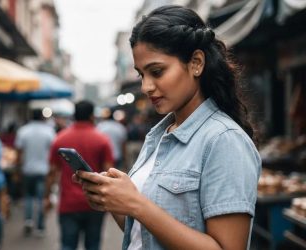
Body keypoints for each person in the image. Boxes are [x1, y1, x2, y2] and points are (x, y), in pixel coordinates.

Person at [75, 5, 261, 250]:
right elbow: (144, 235)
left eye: (157, 71)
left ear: (196, 63)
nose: (146, 87)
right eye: (142, 74)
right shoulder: (160, 135)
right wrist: (113, 200)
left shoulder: (223, 140)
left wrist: (137, 204)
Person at [45, 100, 114, 250]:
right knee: (93, 245)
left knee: (67, 245)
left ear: (74, 115)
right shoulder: (102, 140)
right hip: (95, 203)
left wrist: (47, 196)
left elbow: (52, 172)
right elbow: (109, 172)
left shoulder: (60, 139)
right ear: (91, 116)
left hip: (68, 203)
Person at [15, 109, 56, 236]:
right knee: (41, 198)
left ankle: (28, 221)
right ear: (42, 117)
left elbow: (19, 152)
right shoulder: (49, 132)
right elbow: (53, 153)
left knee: (28, 196)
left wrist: (18, 169)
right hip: (44, 171)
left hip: (28, 170)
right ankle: (40, 226)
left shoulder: (23, 131)